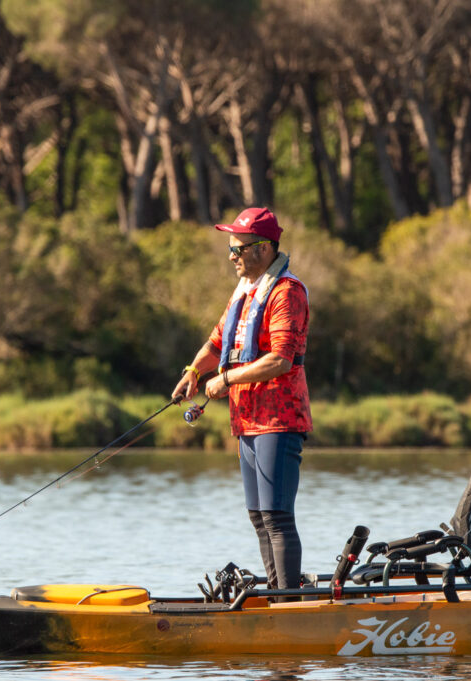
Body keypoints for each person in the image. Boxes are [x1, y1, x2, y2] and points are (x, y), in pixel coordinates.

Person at [172, 207, 312, 593]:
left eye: (239, 249)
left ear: (264, 249)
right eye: (230, 249)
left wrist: (226, 378)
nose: (232, 257)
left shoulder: (286, 292)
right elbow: (218, 342)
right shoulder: (246, 292)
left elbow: (281, 359)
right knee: (258, 516)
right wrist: (194, 372)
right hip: (247, 421)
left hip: (279, 421)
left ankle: (288, 604)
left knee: (277, 517)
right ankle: (276, 595)